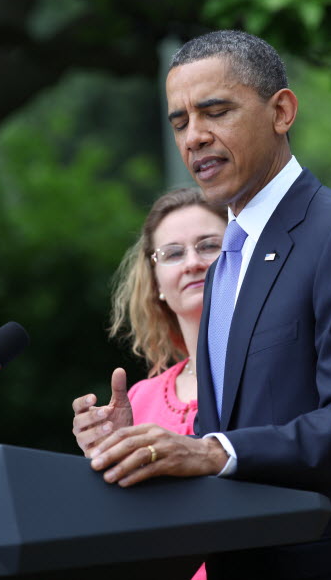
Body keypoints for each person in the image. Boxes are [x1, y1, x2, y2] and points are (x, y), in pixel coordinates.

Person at [73, 30, 331, 579]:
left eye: (216, 111)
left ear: (281, 112)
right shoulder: (230, 258)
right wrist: (136, 449)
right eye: (180, 122)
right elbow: (237, 435)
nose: (195, 137)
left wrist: (208, 451)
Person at [74, 187, 225, 580]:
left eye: (209, 246)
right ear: (156, 280)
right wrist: (103, 460)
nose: (192, 262)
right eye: (173, 253)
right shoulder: (139, 398)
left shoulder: (272, 372)